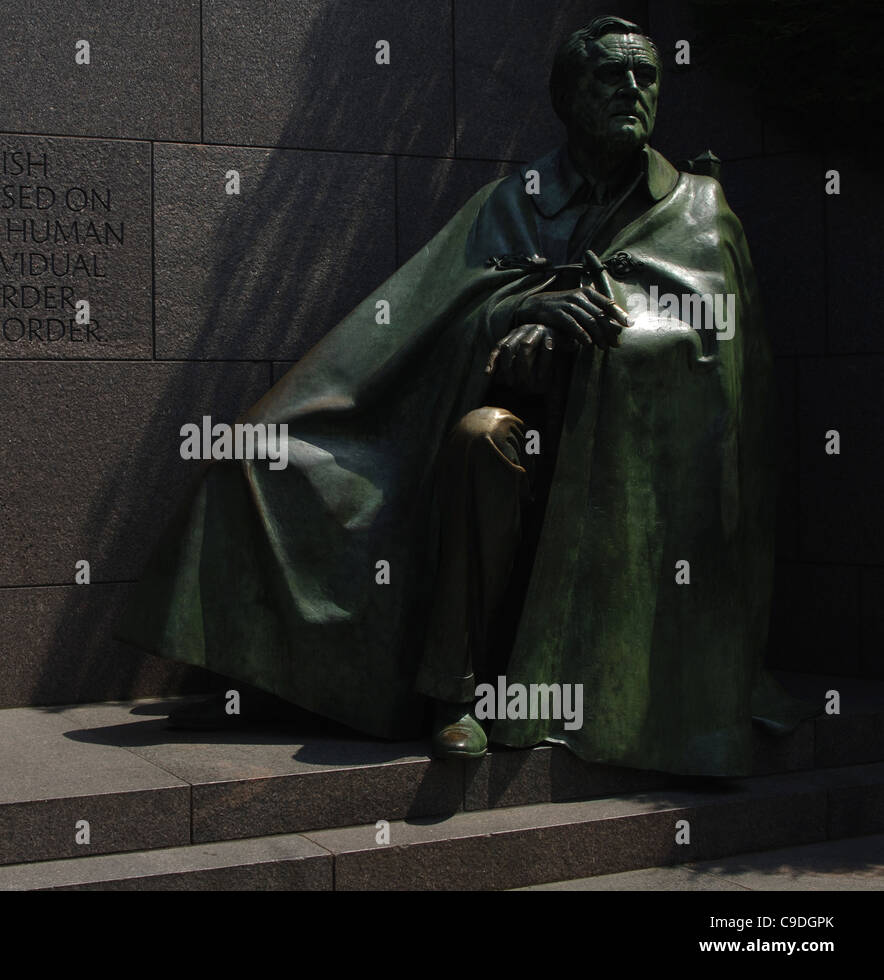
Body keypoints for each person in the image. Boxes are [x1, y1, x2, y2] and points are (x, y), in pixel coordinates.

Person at [118, 15, 802, 776]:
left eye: (646, 76)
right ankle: (380, 688)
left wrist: (596, 334)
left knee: (486, 437)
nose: (633, 90)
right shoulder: (509, 203)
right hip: (487, 437)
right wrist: (512, 315)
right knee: (275, 454)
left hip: (623, 474)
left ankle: (499, 695)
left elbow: (717, 352)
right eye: (612, 76)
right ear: (569, 97)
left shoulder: (698, 209)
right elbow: (419, 324)